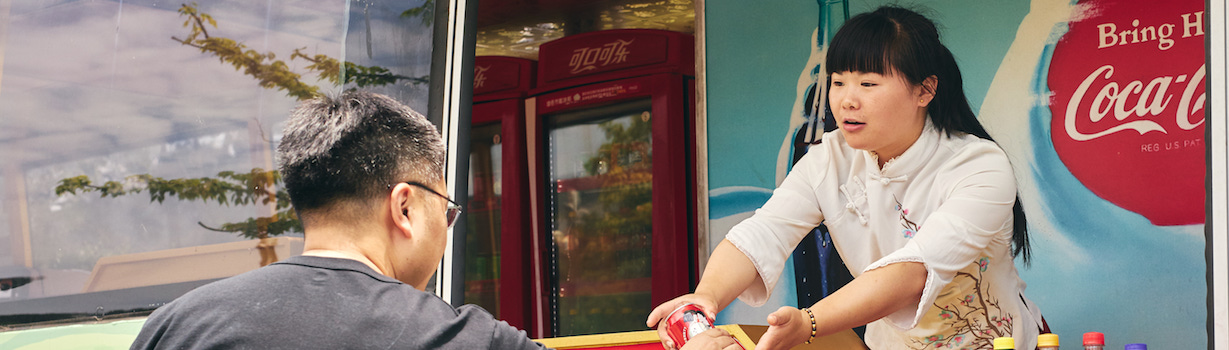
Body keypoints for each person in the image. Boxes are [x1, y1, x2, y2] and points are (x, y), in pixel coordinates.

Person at [131, 92, 739, 350]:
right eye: (447, 211)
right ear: (404, 207)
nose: (448, 230)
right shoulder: (451, 337)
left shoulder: (177, 325)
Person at [647, 6, 1044, 350]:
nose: (847, 99)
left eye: (868, 84)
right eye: (838, 81)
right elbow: (763, 232)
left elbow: (914, 271)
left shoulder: (978, 165)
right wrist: (703, 300)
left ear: (925, 91)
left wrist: (809, 323)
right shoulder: (829, 158)